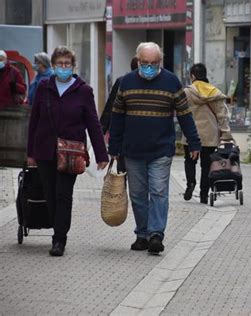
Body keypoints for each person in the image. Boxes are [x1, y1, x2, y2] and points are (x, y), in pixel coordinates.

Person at [108, 42, 201, 255]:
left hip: (161, 149)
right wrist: (113, 146)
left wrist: (194, 142)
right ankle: (142, 234)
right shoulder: (127, 82)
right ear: (137, 61)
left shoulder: (171, 81)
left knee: (158, 191)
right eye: (144, 63)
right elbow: (117, 117)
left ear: (160, 62)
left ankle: (156, 234)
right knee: (138, 195)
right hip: (132, 150)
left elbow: (185, 114)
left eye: (153, 63)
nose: (149, 66)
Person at [27, 46, 109, 256]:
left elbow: (93, 124)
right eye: (60, 64)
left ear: (73, 67)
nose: (63, 68)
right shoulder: (44, 87)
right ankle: (57, 228)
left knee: (64, 195)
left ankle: (59, 239)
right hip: (44, 150)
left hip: (71, 153)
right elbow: (34, 121)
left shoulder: (83, 91)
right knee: (50, 194)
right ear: (53, 66)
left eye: (67, 64)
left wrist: (101, 154)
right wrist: (30, 153)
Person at [182, 63, 233, 204]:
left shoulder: (187, 92)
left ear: (192, 76)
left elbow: (182, 113)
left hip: (191, 135)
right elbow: (223, 116)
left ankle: (190, 183)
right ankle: (204, 194)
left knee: (190, 162)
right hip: (210, 136)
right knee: (206, 166)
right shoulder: (215, 92)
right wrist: (226, 135)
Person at [100, 56, 138, 171]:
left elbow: (109, 106)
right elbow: (111, 106)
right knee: (122, 170)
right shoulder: (123, 81)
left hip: (127, 136)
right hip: (123, 135)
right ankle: (121, 188)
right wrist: (101, 130)